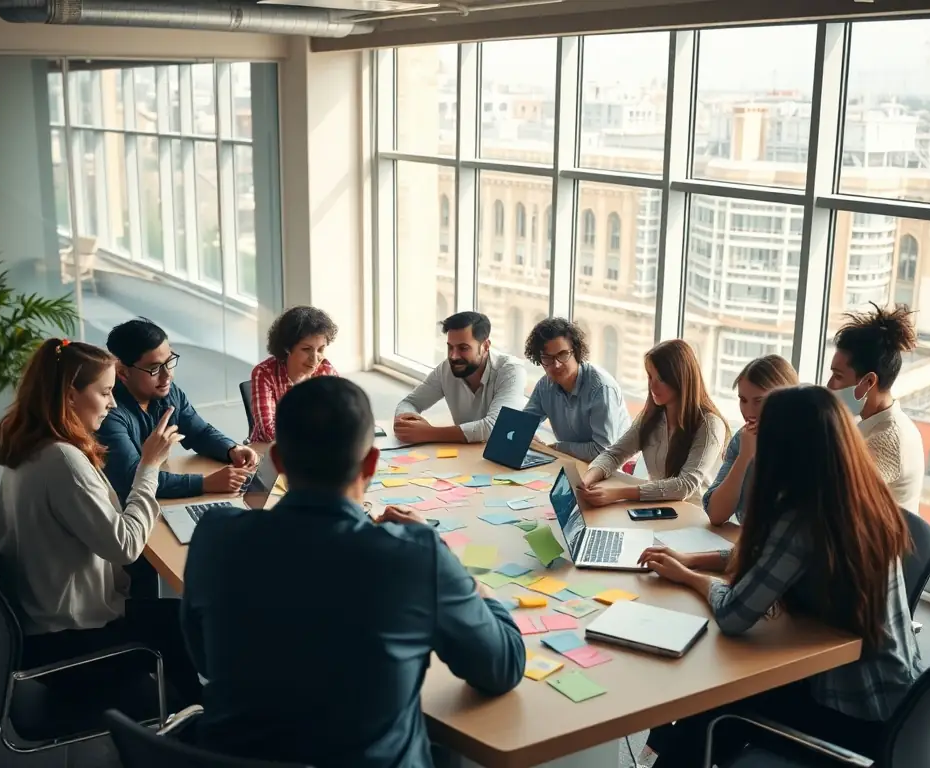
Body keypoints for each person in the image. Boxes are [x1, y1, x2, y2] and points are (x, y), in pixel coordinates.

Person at [181, 377, 525, 767]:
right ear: (371, 464)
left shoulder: (216, 534)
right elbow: (503, 667)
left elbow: (205, 661)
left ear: (277, 460)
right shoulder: (414, 557)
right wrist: (456, 569)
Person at [638, 386, 922, 767]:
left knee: (711, 704)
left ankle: (666, 749)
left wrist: (690, 576)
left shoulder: (804, 517)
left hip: (853, 715)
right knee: (704, 709)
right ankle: (666, 747)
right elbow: (774, 561)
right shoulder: (863, 498)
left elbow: (734, 616)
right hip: (900, 702)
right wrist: (693, 559)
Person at [0, 339, 201, 704]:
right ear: (69, 394)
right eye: (105, 391)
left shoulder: (30, 442)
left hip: (39, 625)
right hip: (67, 648)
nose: (112, 402)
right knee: (188, 624)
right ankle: (199, 727)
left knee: (179, 617)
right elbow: (124, 546)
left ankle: (198, 717)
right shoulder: (61, 460)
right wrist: (148, 465)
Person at [98, 317, 259, 504]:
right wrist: (205, 483)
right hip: (119, 510)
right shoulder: (107, 412)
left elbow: (198, 432)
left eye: (169, 361)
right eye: (155, 368)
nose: (167, 376)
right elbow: (132, 478)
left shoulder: (167, 392)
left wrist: (231, 449)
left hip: (155, 502)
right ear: (123, 373)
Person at [577, 339, 729, 506]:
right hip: (657, 508)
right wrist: (587, 480)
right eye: (650, 377)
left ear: (681, 380)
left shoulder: (709, 425)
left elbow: (684, 486)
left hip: (692, 517)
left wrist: (617, 494)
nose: (652, 386)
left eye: (661, 379)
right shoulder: (652, 416)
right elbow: (614, 454)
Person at [826, 303, 924, 511]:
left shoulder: (888, 439)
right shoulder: (867, 420)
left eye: (838, 376)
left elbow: (834, 501)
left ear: (869, 382)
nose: (830, 385)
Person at [393, 311, 527, 444]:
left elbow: (495, 427)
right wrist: (407, 424)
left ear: (485, 346)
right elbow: (409, 403)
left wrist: (428, 432)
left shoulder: (511, 371)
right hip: (465, 452)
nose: (453, 356)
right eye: (450, 347)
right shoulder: (446, 369)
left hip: (508, 451)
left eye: (463, 348)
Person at [703, 355, 799, 525]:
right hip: (749, 545)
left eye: (759, 401)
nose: (748, 412)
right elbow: (715, 514)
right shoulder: (742, 439)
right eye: (743, 400)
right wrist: (745, 456)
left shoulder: (808, 443)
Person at [521, 317, 631, 461]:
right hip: (571, 462)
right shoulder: (545, 385)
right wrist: (528, 437)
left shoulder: (601, 388)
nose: (556, 365)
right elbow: (521, 425)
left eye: (562, 355)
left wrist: (557, 448)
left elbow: (602, 450)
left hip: (611, 469)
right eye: (547, 358)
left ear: (576, 352)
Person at [249, 305, 339, 443]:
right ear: (287, 348)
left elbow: (341, 417)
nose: (315, 359)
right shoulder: (264, 373)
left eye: (320, 349)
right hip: (270, 451)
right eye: (306, 349)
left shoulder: (326, 371)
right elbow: (269, 432)